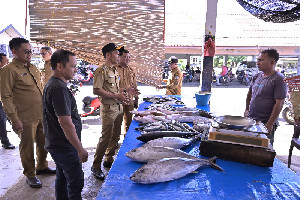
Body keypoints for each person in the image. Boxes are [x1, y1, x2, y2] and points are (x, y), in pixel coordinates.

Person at [1, 38, 55, 188]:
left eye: (30, 51)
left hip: (41, 114)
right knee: (27, 146)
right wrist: (14, 119)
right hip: (24, 117)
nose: (29, 54)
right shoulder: (8, 70)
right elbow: (5, 96)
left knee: (44, 141)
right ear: (14, 51)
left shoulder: (32, 68)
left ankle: (42, 166)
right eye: (26, 51)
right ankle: (30, 174)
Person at [43, 49, 88, 199]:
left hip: (58, 142)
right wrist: (80, 148)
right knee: (75, 182)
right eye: (72, 66)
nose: (75, 70)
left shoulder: (55, 84)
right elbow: (66, 123)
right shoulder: (58, 88)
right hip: (64, 144)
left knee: (62, 178)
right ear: (60, 66)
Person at [91, 43, 130, 179]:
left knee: (116, 136)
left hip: (118, 107)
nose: (118, 56)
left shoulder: (114, 70)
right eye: (116, 53)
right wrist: (116, 96)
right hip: (108, 109)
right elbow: (96, 90)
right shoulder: (101, 70)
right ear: (108, 54)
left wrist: (124, 93)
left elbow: (114, 89)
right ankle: (96, 166)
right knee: (105, 138)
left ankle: (109, 159)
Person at [244, 49, 287, 145]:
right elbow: (250, 94)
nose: (257, 63)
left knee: (263, 148)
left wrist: (270, 123)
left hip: (265, 122)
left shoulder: (279, 79)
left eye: (261, 60)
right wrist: (247, 109)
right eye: (258, 60)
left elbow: (279, 103)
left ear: (272, 62)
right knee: (249, 145)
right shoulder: (257, 76)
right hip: (251, 119)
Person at [116, 48, 139, 132]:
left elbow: (134, 85)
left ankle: (127, 142)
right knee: (116, 125)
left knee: (129, 125)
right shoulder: (114, 69)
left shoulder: (131, 70)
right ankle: (113, 144)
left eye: (129, 57)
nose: (127, 59)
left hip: (129, 101)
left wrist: (136, 99)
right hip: (118, 101)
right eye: (125, 57)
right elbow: (111, 87)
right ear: (119, 57)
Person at [0, 53, 15, 149]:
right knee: (2, 121)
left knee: (13, 119)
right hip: (1, 100)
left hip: (7, 100)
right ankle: (5, 142)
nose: (8, 63)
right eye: (6, 61)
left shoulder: (6, 72)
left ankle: (25, 138)